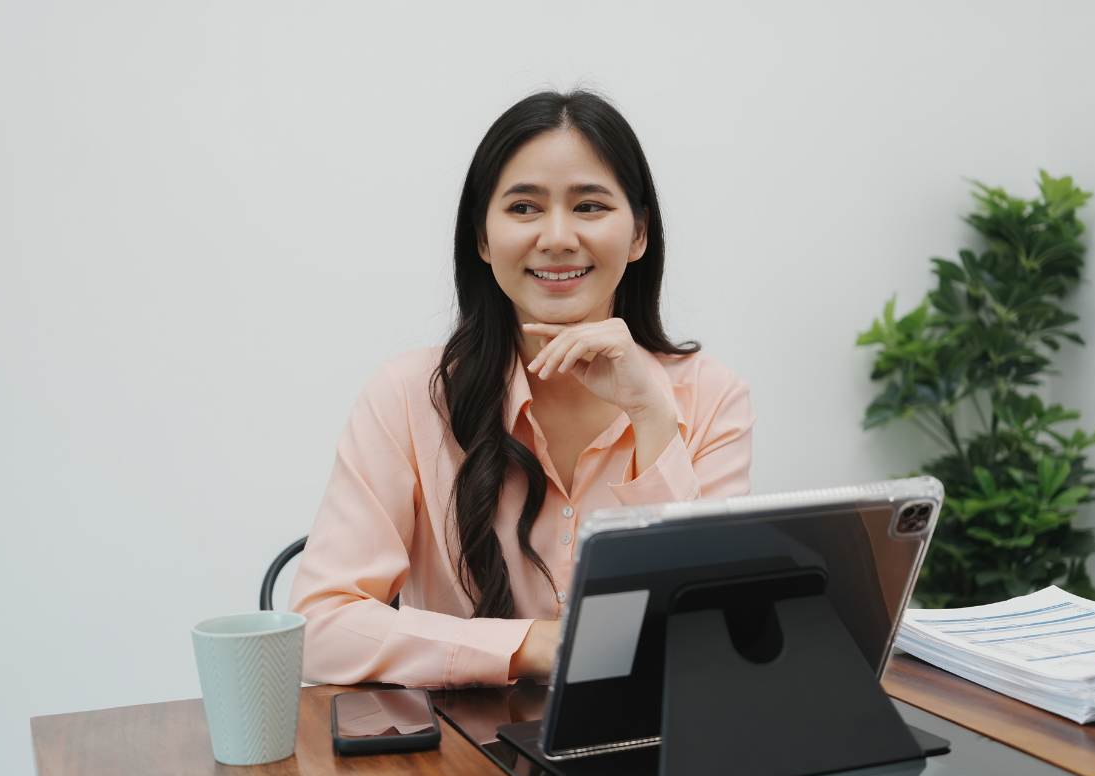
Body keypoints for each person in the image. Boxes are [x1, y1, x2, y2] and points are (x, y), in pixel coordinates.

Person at [289, 89, 755, 688]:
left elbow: (707, 636)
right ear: (482, 239)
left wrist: (651, 415)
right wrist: (534, 645)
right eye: (524, 208)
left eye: (589, 206)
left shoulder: (714, 397)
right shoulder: (408, 396)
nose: (558, 237)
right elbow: (320, 628)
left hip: (646, 755)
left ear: (639, 234)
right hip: (460, 765)